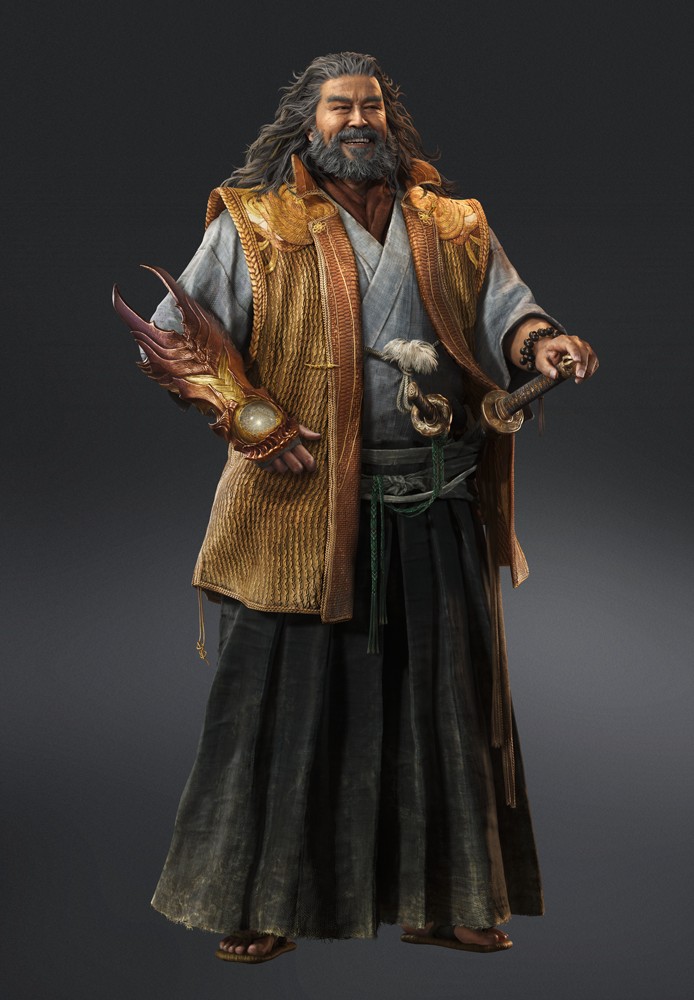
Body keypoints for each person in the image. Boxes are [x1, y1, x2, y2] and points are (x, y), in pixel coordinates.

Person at [119, 52, 598, 963]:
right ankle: (261, 902)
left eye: (370, 105)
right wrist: (255, 421)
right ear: (309, 122)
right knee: (279, 711)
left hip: (435, 495)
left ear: (389, 116)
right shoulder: (256, 224)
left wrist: (542, 344)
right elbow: (172, 341)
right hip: (300, 509)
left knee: (445, 711)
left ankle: (446, 900)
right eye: (339, 107)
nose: (357, 121)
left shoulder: (454, 223)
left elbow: (507, 311)